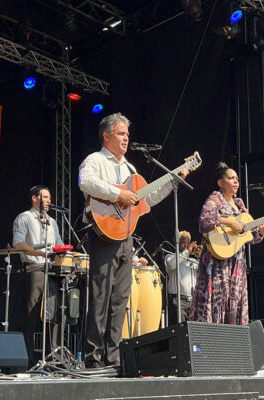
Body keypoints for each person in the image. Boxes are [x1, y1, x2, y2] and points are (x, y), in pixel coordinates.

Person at [78, 112, 189, 367]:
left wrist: (173, 180)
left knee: (120, 300)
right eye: (120, 133)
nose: (126, 138)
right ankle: (92, 358)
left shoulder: (131, 169)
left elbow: (145, 200)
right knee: (100, 298)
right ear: (106, 136)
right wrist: (119, 194)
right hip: (103, 235)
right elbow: (86, 182)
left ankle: (113, 357)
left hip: (126, 237)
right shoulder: (95, 160)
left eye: (127, 134)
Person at [189, 162, 264, 325]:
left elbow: (253, 235)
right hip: (217, 259)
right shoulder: (215, 198)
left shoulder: (240, 205)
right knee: (216, 299)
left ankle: (232, 343)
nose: (236, 181)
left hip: (236, 261)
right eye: (231, 178)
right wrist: (230, 222)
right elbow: (204, 221)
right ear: (221, 183)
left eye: (237, 178)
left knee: (233, 300)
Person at [12, 185, 64, 365]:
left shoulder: (52, 222)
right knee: (30, 316)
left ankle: (52, 359)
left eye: (50, 197)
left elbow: (58, 245)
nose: (49, 201)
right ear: (35, 198)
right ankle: (26, 359)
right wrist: (40, 254)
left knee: (53, 315)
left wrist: (66, 253)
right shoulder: (24, 218)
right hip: (33, 270)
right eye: (46, 197)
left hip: (51, 272)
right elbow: (18, 244)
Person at [164, 231, 199, 325]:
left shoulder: (193, 261)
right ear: (177, 243)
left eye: (188, 243)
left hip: (193, 302)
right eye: (183, 242)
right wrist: (187, 251)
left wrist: (201, 257)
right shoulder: (170, 257)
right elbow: (172, 265)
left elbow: (203, 273)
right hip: (178, 301)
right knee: (181, 330)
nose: (187, 245)